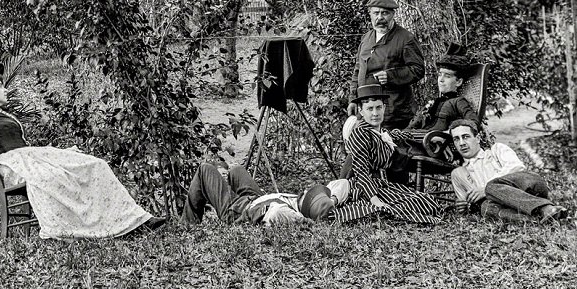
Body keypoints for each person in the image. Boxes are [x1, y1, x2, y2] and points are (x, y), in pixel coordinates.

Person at [0, 62, 163, 239]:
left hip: (30, 157)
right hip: (18, 165)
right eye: (0, 85)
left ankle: (132, 219)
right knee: (56, 176)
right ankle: (101, 225)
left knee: (94, 164)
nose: (5, 89)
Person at [333, 84, 444, 227]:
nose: (375, 113)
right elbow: (361, 172)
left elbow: (402, 134)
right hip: (365, 188)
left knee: (427, 202)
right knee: (407, 206)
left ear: (384, 108)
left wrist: (430, 137)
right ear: (361, 111)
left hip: (383, 185)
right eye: (370, 109)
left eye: (378, 107)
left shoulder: (381, 132)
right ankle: (375, 211)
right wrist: (374, 199)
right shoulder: (360, 133)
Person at [183, 154, 353, 228]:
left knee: (205, 169)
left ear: (307, 203)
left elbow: (275, 214)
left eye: (309, 193)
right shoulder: (300, 201)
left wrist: (306, 222)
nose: (307, 189)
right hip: (256, 198)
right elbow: (342, 184)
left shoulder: (288, 213)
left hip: (238, 211)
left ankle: (188, 224)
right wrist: (333, 201)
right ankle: (223, 192)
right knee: (237, 170)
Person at [448, 120, 568, 223]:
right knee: (486, 208)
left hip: (529, 186)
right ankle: (535, 219)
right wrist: (464, 207)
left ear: (478, 138)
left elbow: (517, 167)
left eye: (465, 137)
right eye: (456, 139)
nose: (462, 143)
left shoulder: (496, 150)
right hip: (508, 203)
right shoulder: (462, 172)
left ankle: (546, 209)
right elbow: (468, 206)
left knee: (490, 188)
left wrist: (485, 189)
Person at [389, 46, 481, 164]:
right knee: (386, 142)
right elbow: (411, 127)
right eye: (440, 75)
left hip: (433, 149)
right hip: (418, 141)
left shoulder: (458, 102)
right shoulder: (434, 103)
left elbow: (473, 123)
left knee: (389, 148)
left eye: (447, 76)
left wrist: (446, 136)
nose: (441, 80)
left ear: (458, 82)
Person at [354, 0, 425, 129]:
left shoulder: (406, 39)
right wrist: (353, 99)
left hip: (394, 111)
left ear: (393, 14)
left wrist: (391, 76)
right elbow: (358, 69)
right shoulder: (366, 38)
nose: (380, 17)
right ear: (370, 14)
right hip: (368, 110)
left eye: (385, 13)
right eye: (376, 13)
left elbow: (418, 69)